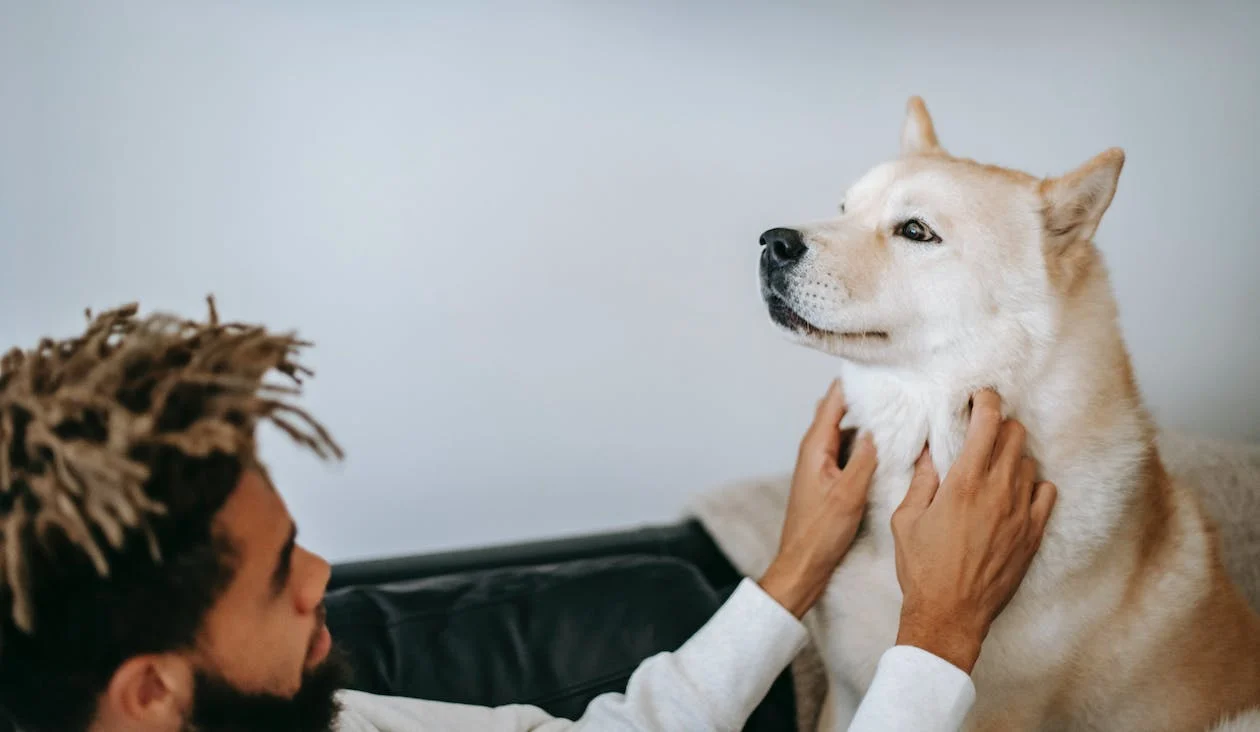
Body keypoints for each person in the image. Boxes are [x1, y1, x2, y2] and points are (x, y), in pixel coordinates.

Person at [0, 301, 1056, 732]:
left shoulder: (320, 715)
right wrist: (943, 631)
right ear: (147, 694)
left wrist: (795, 569)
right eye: (277, 576)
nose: (325, 575)